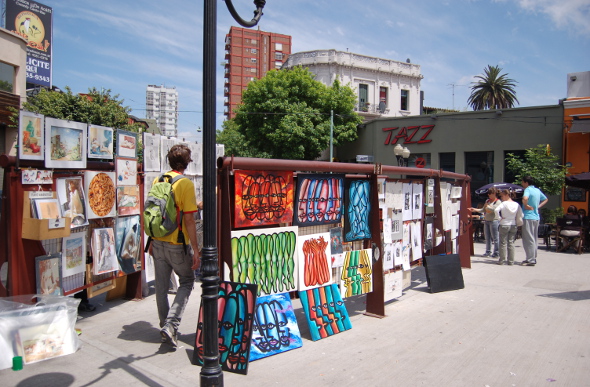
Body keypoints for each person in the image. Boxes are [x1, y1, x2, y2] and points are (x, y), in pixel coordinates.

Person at [150, 144, 200, 348]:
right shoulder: (185, 183)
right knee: (187, 281)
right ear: (187, 163)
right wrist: (196, 250)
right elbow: (189, 220)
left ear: (169, 161)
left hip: (158, 242)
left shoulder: (158, 180)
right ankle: (170, 326)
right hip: (177, 244)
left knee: (161, 288)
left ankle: (165, 326)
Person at [520, 176, 548, 266]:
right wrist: (538, 206)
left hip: (528, 216)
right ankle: (532, 257)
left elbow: (525, 198)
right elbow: (546, 199)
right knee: (534, 237)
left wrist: (526, 205)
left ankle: (531, 259)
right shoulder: (537, 190)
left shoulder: (527, 189)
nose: (521, 183)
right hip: (536, 217)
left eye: (522, 182)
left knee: (528, 238)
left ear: (526, 182)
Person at [468, 187, 501, 258]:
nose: (488, 195)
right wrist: (474, 209)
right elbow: (483, 210)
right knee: (487, 237)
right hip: (487, 220)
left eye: (490, 193)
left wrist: (487, 207)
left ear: (494, 194)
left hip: (494, 221)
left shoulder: (498, 202)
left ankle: (496, 253)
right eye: (488, 193)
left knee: (495, 237)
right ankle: (488, 251)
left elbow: (494, 209)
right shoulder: (488, 201)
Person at [494, 189, 522, 265]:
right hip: (513, 224)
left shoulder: (503, 204)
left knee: (503, 242)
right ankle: (511, 261)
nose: (501, 198)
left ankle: (502, 260)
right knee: (511, 242)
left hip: (504, 223)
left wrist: (499, 218)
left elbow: (496, 210)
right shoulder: (516, 204)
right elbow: (521, 214)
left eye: (502, 196)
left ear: (506, 195)